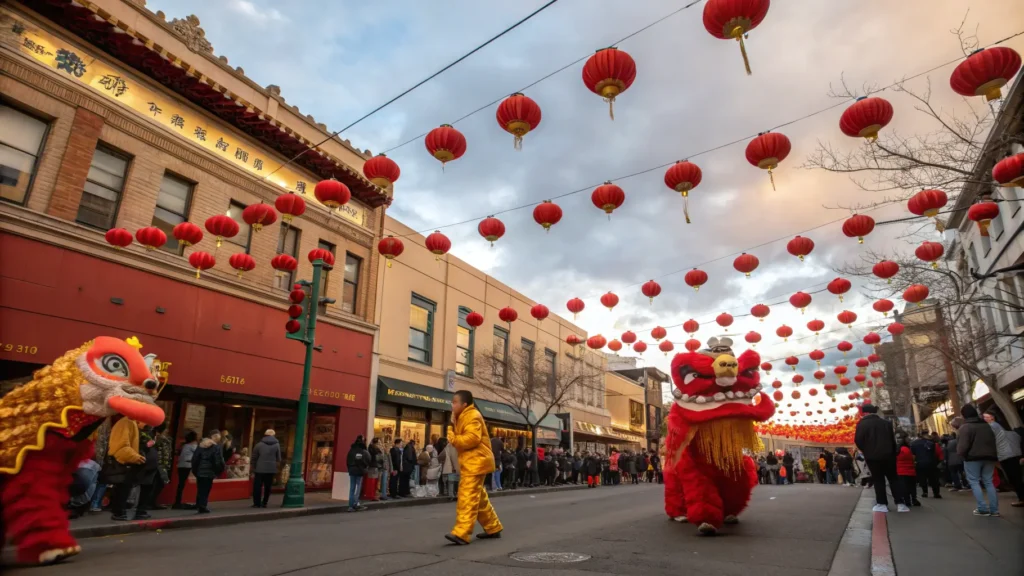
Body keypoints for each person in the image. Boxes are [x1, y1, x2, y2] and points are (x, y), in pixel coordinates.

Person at [445, 391, 503, 545]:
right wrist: (452, 426)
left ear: (464, 404)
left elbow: (472, 439)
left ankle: (462, 533)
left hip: (476, 463)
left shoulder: (471, 415)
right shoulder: (462, 417)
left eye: (455, 402)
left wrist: (452, 436)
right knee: (480, 498)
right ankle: (493, 527)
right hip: (474, 462)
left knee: (467, 497)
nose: (452, 405)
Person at [854, 404, 908, 512]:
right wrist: (893, 451)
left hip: (873, 456)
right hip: (889, 455)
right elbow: (893, 440)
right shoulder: (886, 423)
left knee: (878, 479)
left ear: (865, 413)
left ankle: (882, 504)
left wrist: (866, 450)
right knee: (893, 479)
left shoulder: (862, 424)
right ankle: (900, 503)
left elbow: (858, 440)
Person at [956, 405, 1000, 517]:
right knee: (989, 482)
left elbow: (962, 446)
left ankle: (982, 508)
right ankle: (994, 509)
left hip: (972, 458)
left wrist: (961, 455)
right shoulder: (986, 426)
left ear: (964, 415)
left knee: (974, 481)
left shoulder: (965, 427)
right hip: (989, 457)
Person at [103, 416, 145, 521]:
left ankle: (119, 512)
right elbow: (121, 446)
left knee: (123, 488)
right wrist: (136, 457)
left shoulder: (131, 423)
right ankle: (119, 512)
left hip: (127, 462)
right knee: (122, 488)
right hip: (124, 463)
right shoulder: (127, 423)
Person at [983, 411, 1024, 507]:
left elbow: (990, 440)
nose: (984, 419)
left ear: (992, 417)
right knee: (1017, 476)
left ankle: (1022, 498)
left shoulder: (993, 426)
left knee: (1014, 477)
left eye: (986, 417)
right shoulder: (1002, 425)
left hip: (1006, 454)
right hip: (1013, 452)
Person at [191, 430, 224, 514]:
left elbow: (195, 459)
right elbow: (217, 461)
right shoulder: (216, 447)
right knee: (206, 489)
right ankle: (202, 506)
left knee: (200, 488)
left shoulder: (200, 445)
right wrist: (218, 471)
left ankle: (198, 504)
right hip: (209, 471)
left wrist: (195, 470)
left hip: (200, 471)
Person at [135, 426, 161, 519]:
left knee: (146, 490)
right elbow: (145, 448)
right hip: (146, 467)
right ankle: (140, 511)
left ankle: (141, 510)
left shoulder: (148, 437)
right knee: (145, 490)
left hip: (149, 467)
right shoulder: (145, 438)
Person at [250, 429, 281, 508]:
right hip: (271, 469)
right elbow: (279, 458)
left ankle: (257, 503)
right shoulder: (277, 445)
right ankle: (265, 502)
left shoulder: (259, 444)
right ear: (273, 435)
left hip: (260, 468)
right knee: (268, 486)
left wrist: (253, 468)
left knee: (257, 486)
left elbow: (254, 457)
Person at [910, 432, 941, 499]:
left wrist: (914, 462)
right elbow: (936, 452)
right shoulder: (931, 443)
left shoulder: (914, 443)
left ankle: (925, 492)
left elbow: (913, 456)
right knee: (934, 479)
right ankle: (936, 493)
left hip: (920, 463)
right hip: (931, 463)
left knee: (922, 478)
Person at [173, 431, 198, 509]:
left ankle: (177, 501)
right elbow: (198, 453)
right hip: (187, 466)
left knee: (181, 484)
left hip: (181, 466)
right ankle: (178, 502)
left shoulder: (184, 445)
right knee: (183, 484)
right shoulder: (193, 446)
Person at [345, 435, 370, 511]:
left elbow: (347, 460)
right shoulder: (361, 450)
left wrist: (349, 468)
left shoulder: (351, 450)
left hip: (351, 470)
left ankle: (350, 505)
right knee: (358, 486)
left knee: (352, 487)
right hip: (359, 470)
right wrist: (364, 467)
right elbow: (363, 460)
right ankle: (356, 503)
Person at [896, 438, 920, 507]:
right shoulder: (908, 450)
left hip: (901, 472)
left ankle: (907, 501)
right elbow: (913, 459)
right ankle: (914, 500)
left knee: (904, 487)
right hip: (910, 471)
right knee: (912, 487)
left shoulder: (898, 450)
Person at [364, 437, 383, 502]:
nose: (380, 444)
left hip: (374, 466)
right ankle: (371, 495)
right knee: (372, 481)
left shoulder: (372, 448)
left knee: (373, 481)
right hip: (374, 466)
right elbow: (378, 457)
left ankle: (372, 495)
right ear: (376, 443)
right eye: (379, 443)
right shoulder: (373, 448)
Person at [442, 436, 460, 501]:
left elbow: (442, 456)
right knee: (459, 482)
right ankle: (458, 494)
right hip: (459, 467)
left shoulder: (448, 446)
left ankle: (451, 495)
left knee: (451, 482)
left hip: (451, 466)